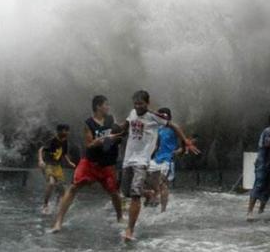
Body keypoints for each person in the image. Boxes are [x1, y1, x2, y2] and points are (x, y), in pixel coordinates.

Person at [118, 90, 199, 241]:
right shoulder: (132, 113)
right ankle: (148, 194)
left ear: (147, 103)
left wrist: (185, 142)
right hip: (129, 159)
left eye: (141, 103)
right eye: (135, 103)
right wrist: (114, 133)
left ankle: (130, 230)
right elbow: (125, 127)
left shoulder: (154, 116)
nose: (137, 106)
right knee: (127, 192)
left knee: (137, 193)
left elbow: (174, 126)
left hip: (143, 160)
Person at [51, 95, 125, 232]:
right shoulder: (88, 123)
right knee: (73, 188)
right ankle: (58, 222)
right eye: (106, 105)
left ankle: (120, 218)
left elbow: (118, 131)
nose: (108, 107)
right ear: (98, 106)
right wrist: (103, 140)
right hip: (90, 162)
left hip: (106, 164)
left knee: (114, 192)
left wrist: (121, 130)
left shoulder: (111, 119)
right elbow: (89, 145)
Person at [247, 109, 270, 221]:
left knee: (268, 188)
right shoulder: (268, 131)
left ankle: (261, 211)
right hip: (262, 164)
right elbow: (267, 143)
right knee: (258, 185)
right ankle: (249, 212)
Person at [144, 107, 180, 213]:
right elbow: (156, 145)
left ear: (168, 117)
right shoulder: (159, 129)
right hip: (157, 158)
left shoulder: (174, 128)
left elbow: (183, 145)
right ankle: (153, 196)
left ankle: (163, 210)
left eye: (163, 116)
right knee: (144, 175)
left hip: (168, 160)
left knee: (163, 183)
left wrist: (177, 152)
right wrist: (148, 155)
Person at [38, 124, 76, 215]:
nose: (66, 132)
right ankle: (45, 205)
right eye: (64, 130)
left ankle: (57, 206)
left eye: (67, 130)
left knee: (62, 190)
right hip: (48, 165)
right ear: (59, 131)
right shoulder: (52, 140)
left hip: (57, 166)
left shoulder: (65, 141)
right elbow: (41, 149)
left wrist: (69, 162)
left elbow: (64, 153)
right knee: (51, 183)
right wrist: (40, 160)